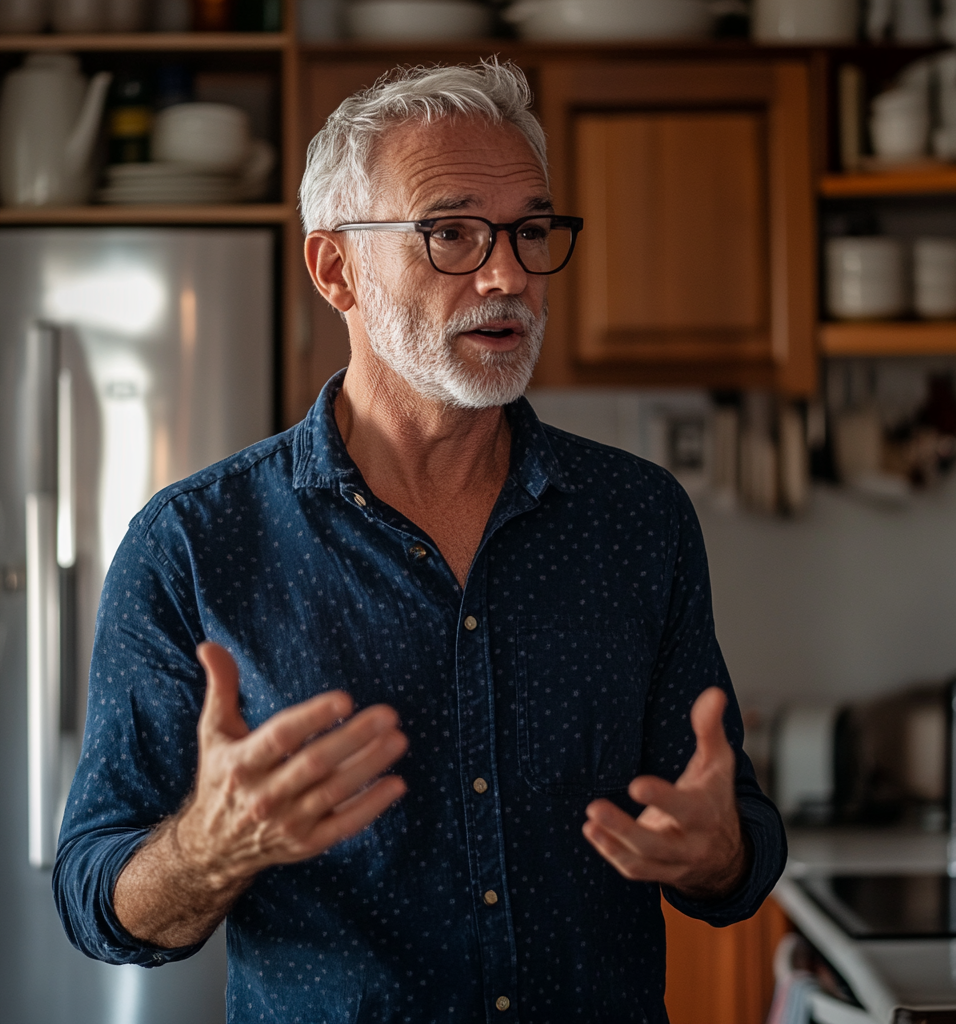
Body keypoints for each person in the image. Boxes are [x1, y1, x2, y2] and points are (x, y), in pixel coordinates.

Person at [54, 61, 785, 1023]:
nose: (509, 273)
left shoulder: (638, 518)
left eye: (531, 229)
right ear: (334, 270)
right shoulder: (194, 544)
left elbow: (735, 838)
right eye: (449, 231)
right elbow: (95, 896)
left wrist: (718, 852)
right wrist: (208, 846)